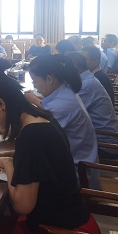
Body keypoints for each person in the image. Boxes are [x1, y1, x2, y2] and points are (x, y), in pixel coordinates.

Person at [0, 71, 102, 234]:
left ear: (1, 104)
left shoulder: (31, 135)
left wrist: (8, 164)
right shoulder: (41, 118)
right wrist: (7, 155)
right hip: (78, 229)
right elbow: (41, 157)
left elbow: (23, 205)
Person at [24, 54, 100, 189]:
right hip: (74, 162)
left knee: (23, 173)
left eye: (35, 81)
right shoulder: (64, 91)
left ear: (49, 79)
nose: (35, 86)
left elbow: (37, 137)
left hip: (76, 175)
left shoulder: (62, 106)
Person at [68, 51, 118, 159]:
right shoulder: (87, 79)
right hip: (99, 137)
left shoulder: (86, 85)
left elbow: (69, 113)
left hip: (104, 146)